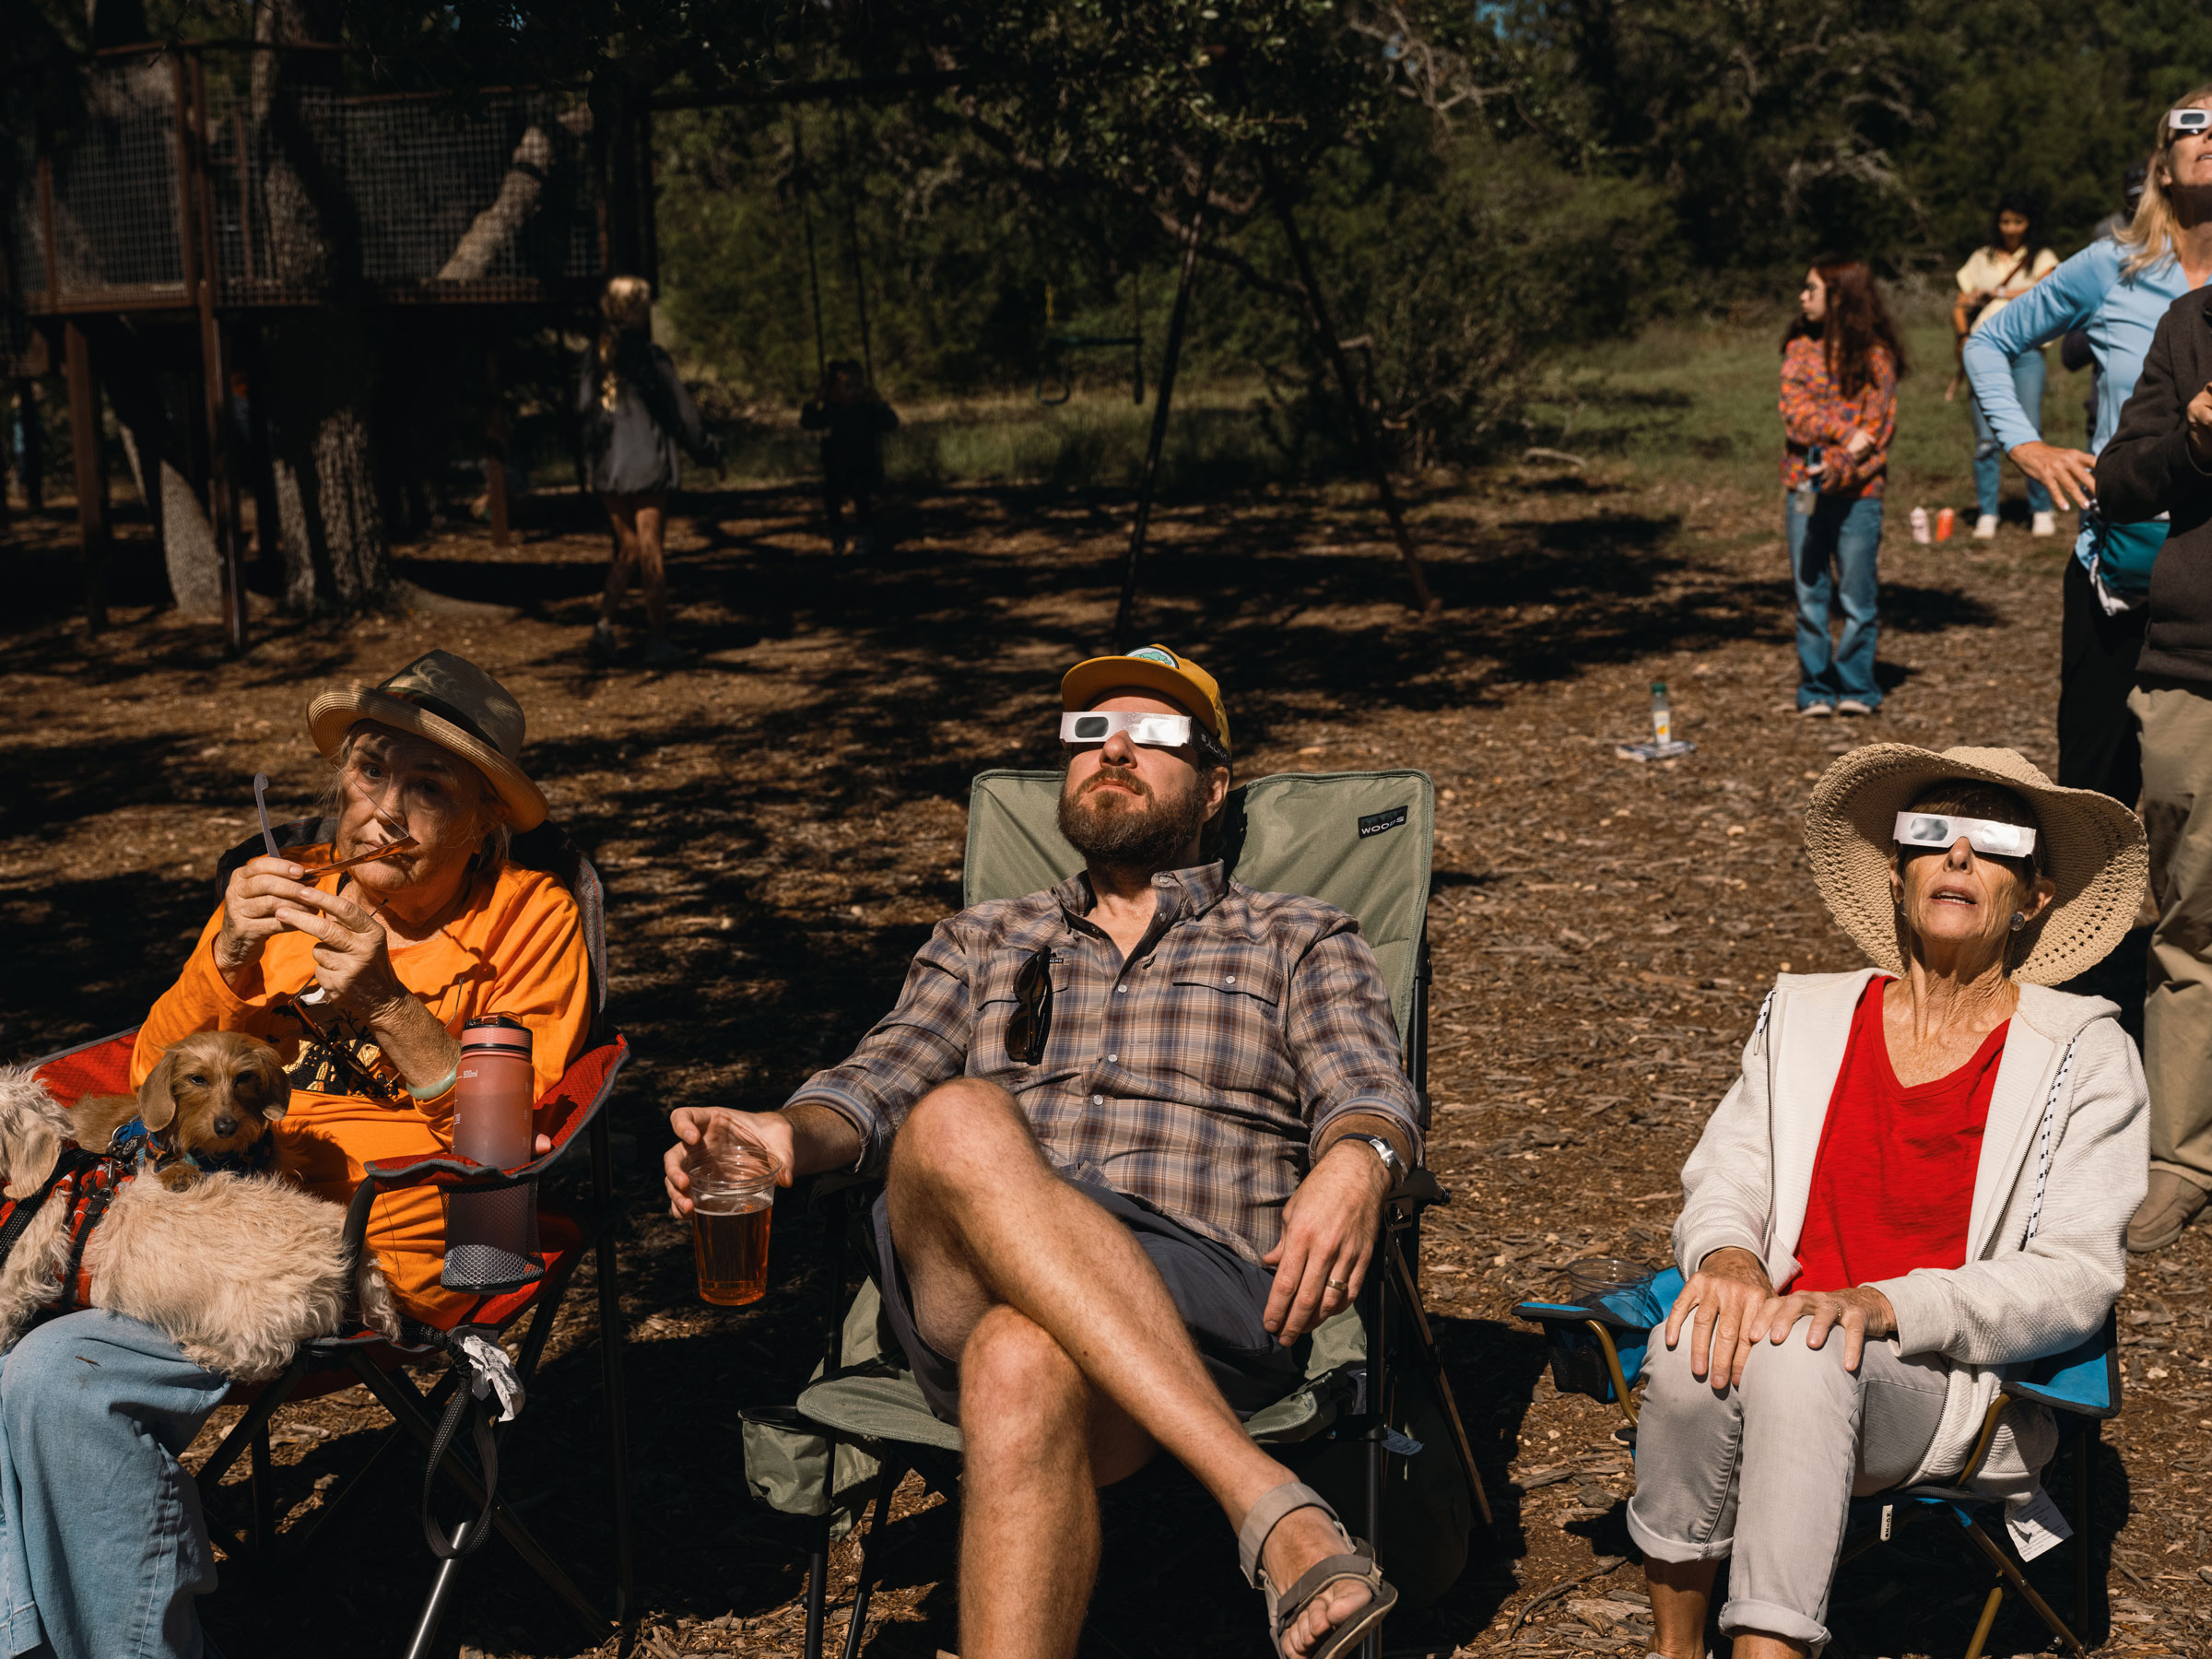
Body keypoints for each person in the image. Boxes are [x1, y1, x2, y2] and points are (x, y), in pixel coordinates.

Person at [663, 646, 1422, 1659]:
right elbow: (875, 1088)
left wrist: (1358, 1161)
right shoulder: (982, 938)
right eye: (1088, 733)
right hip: (962, 1272)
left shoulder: (1298, 935)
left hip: (1201, 1287)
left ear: (1216, 784)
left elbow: (1368, 1088)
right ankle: (1269, 1504)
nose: (1112, 749)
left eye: (1152, 735)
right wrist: (780, 1135)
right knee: (957, 1119)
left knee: (1022, 1356)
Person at [0, 650, 592, 1659]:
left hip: (373, 1256)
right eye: (369, 773)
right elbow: (154, 1085)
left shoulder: (531, 922)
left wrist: (388, 1007)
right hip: (180, 1226)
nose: (383, 813)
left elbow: (504, 1150)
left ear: (488, 819)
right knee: (34, 1363)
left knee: (56, 1376)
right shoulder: (289, 895)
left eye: (428, 789)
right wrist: (228, 960)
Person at [1631, 743, 2147, 1659]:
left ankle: (1766, 1648)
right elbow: (1730, 1172)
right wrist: (1731, 1260)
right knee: (1686, 1345)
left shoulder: (2083, 1051)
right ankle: (1674, 1650)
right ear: (1900, 870)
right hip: (1784, 1333)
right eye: (1932, 831)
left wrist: (1881, 1303)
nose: (1958, 855)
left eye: (1994, 839)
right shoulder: (1807, 1012)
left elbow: (2076, 1277)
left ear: (2035, 895)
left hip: (1937, 1378)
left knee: (1801, 1350)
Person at [1963, 92, 2212, 814]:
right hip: (2121, 574)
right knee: (2093, 801)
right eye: (2189, 125)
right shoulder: (2113, 267)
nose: (2208, 135)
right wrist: (2027, 445)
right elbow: (1988, 339)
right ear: (2162, 166)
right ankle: (2089, 929)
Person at [2092, 203, 2212, 1254]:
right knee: (2190, 923)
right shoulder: (2190, 328)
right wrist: (2196, 441)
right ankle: (2182, 1155)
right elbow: (2120, 479)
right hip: (2196, 674)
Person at [1779, 257, 1906, 719]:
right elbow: (1796, 414)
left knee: (1857, 596)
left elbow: (1878, 432)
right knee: (1809, 593)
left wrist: (1834, 466)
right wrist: (1843, 436)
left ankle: (1857, 685)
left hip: (1860, 498)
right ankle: (1815, 686)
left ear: (1840, 297)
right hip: (1804, 495)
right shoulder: (1798, 350)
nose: (1803, 296)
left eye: (1812, 288)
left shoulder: (1876, 357)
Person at [577, 275, 722, 668]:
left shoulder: (594, 357)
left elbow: (585, 416)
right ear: (638, 311)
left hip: (610, 469)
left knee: (628, 550)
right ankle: (657, 638)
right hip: (646, 466)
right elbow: (685, 419)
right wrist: (709, 453)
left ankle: (604, 626)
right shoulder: (652, 358)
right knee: (651, 550)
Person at [1949, 194, 2060, 539]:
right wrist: (1964, 336)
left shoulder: (2041, 257)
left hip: (2027, 351)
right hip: (1985, 350)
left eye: (2018, 222)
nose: (2011, 229)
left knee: (2031, 429)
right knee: (1985, 438)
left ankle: (2041, 507)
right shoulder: (1980, 258)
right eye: (2005, 221)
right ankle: (1987, 511)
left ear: (2029, 224)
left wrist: (1996, 291)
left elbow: (2044, 290)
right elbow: (1960, 302)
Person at [799, 357, 899, 555]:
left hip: (864, 464)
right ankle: (838, 535)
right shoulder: (831, 410)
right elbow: (808, 422)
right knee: (832, 498)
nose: (854, 392)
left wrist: (879, 403)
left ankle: (865, 534)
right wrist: (816, 399)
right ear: (834, 391)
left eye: (858, 386)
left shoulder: (867, 409)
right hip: (837, 465)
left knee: (862, 497)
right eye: (847, 387)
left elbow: (891, 424)